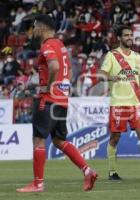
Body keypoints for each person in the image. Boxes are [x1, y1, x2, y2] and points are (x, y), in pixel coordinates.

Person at [16, 15, 98, 193]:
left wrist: (47, 87)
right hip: (62, 100)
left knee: (38, 140)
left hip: (48, 100)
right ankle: (88, 170)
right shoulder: (61, 47)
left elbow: (53, 67)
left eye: (36, 26)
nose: (34, 29)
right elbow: (67, 74)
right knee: (60, 140)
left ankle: (38, 183)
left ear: (43, 27)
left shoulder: (47, 46)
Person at [98, 25, 140, 181]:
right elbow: (100, 75)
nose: (129, 37)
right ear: (119, 38)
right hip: (118, 103)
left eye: (131, 35)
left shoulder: (137, 56)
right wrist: (112, 78)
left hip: (136, 102)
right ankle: (112, 172)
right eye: (126, 35)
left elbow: (139, 74)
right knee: (115, 137)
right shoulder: (112, 55)